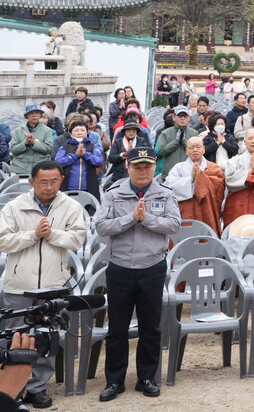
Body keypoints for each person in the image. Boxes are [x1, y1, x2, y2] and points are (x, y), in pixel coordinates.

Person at [0, 161, 88, 408]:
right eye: (43, 182)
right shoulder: (15, 207)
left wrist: (52, 235)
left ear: (61, 180)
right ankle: (11, 389)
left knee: (47, 338)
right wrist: (33, 235)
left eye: (54, 181)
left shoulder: (71, 206)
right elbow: (3, 242)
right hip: (20, 285)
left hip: (53, 284)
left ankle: (37, 387)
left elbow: (77, 240)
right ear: (31, 182)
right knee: (16, 337)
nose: (49, 187)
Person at [95, 148, 179, 401]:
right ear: (128, 167)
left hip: (152, 267)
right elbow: (101, 227)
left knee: (150, 327)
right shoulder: (113, 194)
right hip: (120, 267)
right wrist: (131, 219)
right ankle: (114, 380)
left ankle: (147, 378)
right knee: (117, 328)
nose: (142, 172)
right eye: (137, 167)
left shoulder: (165, 194)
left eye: (147, 167)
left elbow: (174, 225)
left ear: (154, 168)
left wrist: (147, 219)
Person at [164, 136, 227, 234]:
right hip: (186, 210)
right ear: (186, 151)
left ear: (204, 149)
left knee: (207, 237)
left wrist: (202, 179)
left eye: (198, 147)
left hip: (207, 209)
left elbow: (219, 190)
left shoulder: (214, 168)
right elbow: (168, 186)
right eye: (191, 147)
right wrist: (191, 179)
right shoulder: (178, 168)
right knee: (185, 238)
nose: (195, 150)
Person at [54, 119, 104, 196]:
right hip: (68, 187)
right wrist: (75, 155)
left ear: (87, 132)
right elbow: (58, 162)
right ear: (70, 133)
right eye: (76, 130)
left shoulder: (92, 146)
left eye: (83, 130)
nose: (80, 132)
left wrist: (85, 154)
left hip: (89, 188)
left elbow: (99, 161)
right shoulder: (64, 147)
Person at [154, 106, 201, 177]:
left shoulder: (194, 133)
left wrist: (184, 142)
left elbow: (198, 152)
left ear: (188, 118)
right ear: (174, 117)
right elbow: (160, 151)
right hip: (169, 175)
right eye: (179, 116)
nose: (182, 118)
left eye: (185, 116)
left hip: (188, 175)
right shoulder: (165, 133)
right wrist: (175, 142)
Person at [11, 106, 54, 177]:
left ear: (40, 115)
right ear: (27, 116)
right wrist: (25, 143)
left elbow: (48, 149)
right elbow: (13, 149)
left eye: (37, 113)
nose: (34, 115)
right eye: (31, 113)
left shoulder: (47, 130)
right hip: (21, 169)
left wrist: (34, 143)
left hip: (41, 168)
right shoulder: (18, 130)